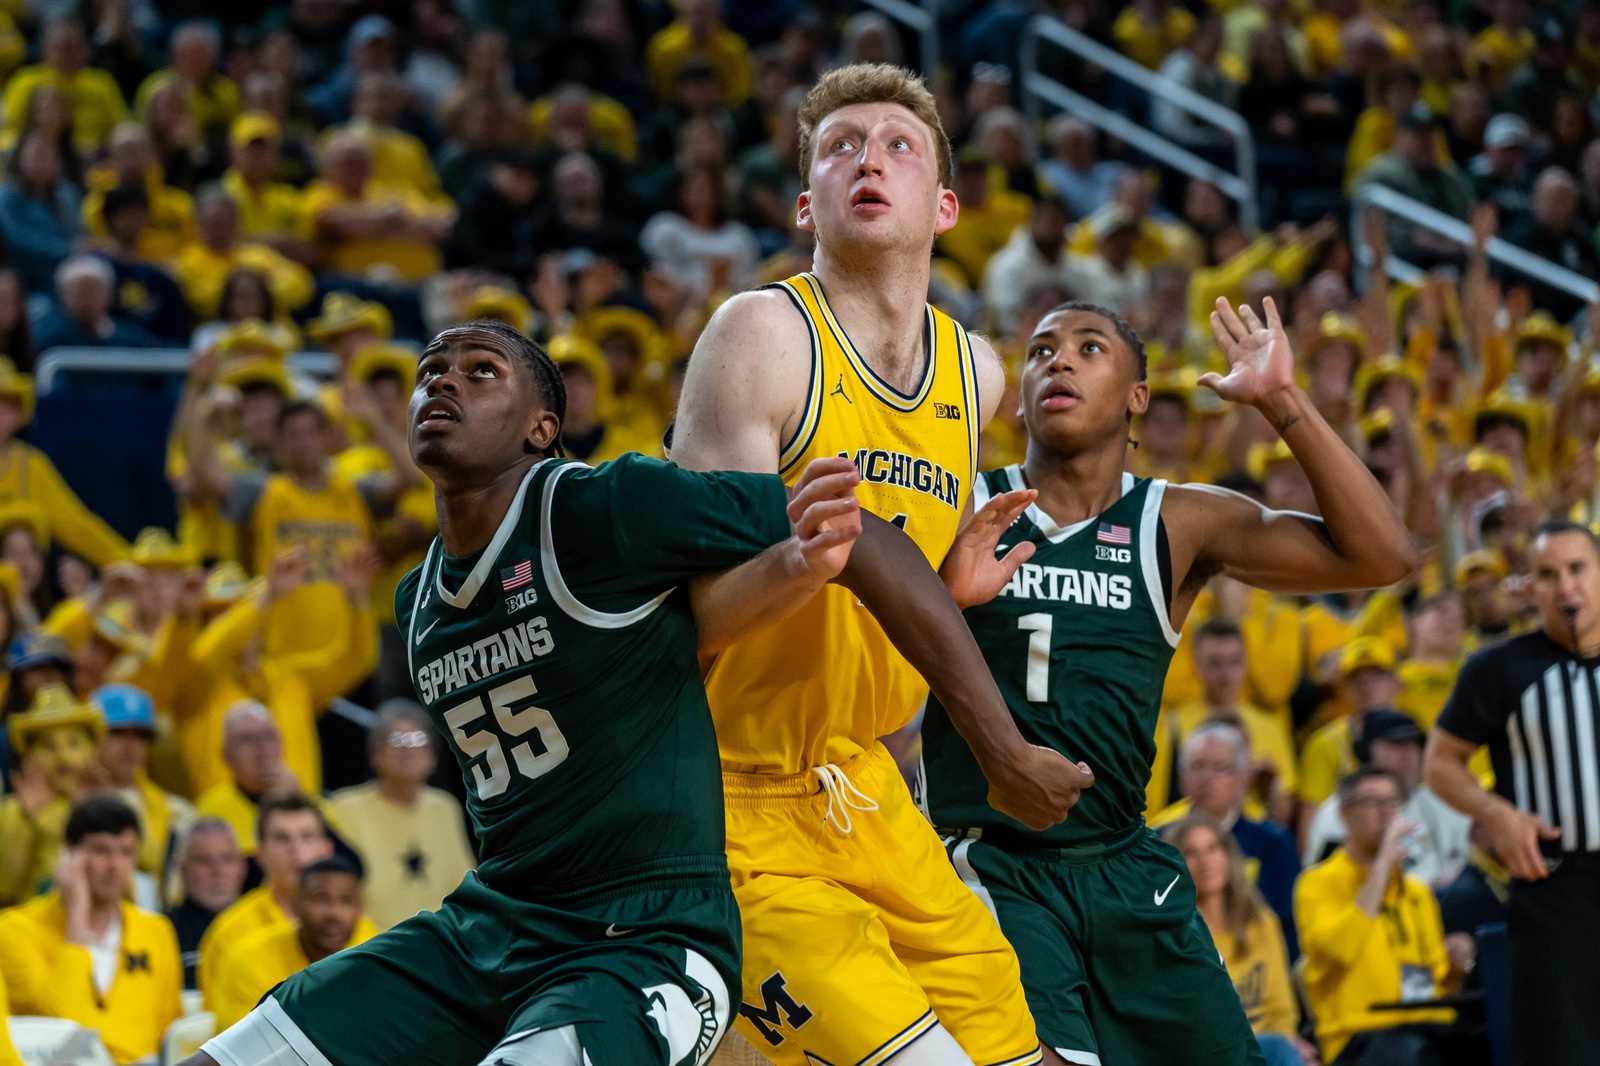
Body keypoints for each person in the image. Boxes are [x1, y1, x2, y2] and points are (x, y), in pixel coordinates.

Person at [186, 302, 1036, 1066]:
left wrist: (1001, 743)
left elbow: (856, 537)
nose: (444, 383)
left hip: (646, 935)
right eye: (430, 373)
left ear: (540, 427)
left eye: (481, 372)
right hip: (492, 925)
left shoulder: (605, 506)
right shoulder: (416, 601)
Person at [672, 63, 1089, 1065]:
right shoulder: (761, 335)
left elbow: (882, 596)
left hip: (866, 788)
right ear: (802, 200)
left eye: (899, 145)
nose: (868, 159)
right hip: (733, 791)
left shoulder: (976, 371)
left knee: (1024, 1053)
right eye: (839, 146)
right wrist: (801, 563)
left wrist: (944, 592)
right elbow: (680, 624)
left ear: (944, 205)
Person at [917, 292, 1414, 1065]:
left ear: (1137, 398)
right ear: (1017, 397)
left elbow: (1383, 557)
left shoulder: (1178, 521)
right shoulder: (961, 504)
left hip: (1124, 861)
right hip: (992, 862)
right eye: (1043, 350)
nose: (1059, 361)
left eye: (1089, 349)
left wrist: (1284, 402)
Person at [1424, 518, 1600, 1065]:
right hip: (1555, 890)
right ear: (1530, 588)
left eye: (1578, 569)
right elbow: (1440, 763)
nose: (1566, 587)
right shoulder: (1499, 669)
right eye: (1547, 575)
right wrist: (1495, 813)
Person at [0, 795, 182, 1065]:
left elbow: (170, 1034)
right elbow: (58, 1029)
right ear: (68, 854)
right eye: (101, 851)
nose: (115, 866)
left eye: (126, 852)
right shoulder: (14, 930)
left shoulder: (156, 931)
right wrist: (77, 918)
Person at [1294, 768, 1456, 1065]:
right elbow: (1339, 950)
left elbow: (1439, 976)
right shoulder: (1316, 883)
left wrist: (1461, 961)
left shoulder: (1416, 893)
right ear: (1344, 815)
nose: (1386, 813)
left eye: (1391, 802)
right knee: (1408, 1053)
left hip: (1425, 1026)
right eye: (1372, 802)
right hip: (1359, 1035)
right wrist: (1382, 864)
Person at [1165, 814, 1314, 1066]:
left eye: (1213, 848)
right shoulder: (1173, 934)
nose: (1205, 862)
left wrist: (1286, 1042)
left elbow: (1281, 1008)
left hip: (1265, 1048)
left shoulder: (1261, 921)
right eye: (1191, 853)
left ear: (1228, 855)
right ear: (1176, 864)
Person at [1150, 722, 1302, 957]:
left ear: (1241, 779)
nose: (1207, 778)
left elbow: (1287, 925)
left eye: (1220, 768)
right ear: (1181, 777)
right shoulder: (1156, 842)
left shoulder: (1274, 844)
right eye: (1197, 766)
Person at [328, 701, 476, 931]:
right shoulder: (343, 808)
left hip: (443, 942)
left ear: (434, 756)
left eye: (418, 740)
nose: (408, 750)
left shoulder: (445, 807)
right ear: (374, 754)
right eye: (396, 740)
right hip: (371, 945)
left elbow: (465, 887)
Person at [196, 791, 354, 1002]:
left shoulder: (361, 929)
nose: (296, 849)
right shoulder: (229, 934)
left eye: (307, 837)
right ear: (259, 853)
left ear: (327, 849)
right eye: (282, 838)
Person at [1153, 617, 1298, 824]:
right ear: (1196, 663)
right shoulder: (1171, 725)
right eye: (1215, 663)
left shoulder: (1270, 727)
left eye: (1235, 661)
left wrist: (1267, 789)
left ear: (1247, 661)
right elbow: (1158, 805)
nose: (1226, 674)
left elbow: (1283, 816)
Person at [1304, 710, 1470, 884]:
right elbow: (1324, 882)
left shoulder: (1443, 806)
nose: (1407, 753)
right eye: (1395, 744)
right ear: (1366, 752)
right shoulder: (1340, 813)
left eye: (1415, 744)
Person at [210, 856, 372, 1030]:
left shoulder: (374, 960)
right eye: (320, 899)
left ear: (360, 909)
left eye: (346, 901)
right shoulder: (248, 961)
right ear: (296, 905)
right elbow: (240, 1050)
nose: (334, 913)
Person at [0, 685, 106, 905]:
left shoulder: (104, 807)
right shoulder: (14, 810)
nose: (64, 758)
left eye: (74, 743)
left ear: (91, 751)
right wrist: (34, 818)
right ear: (28, 758)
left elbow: (150, 861)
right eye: (48, 746)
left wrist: (98, 810)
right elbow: (5, 887)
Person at [93, 683, 194, 881]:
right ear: (92, 736)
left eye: (140, 735)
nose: (130, 745)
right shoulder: (72, 800)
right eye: (118, 732)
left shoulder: (177, 811)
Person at [166, 818, 247, 990]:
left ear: (243, 866)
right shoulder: (164, 931)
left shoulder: (267, 923)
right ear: (182, 869)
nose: (217, 871)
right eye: (204, 861)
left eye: (227, 859)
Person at [33, 254, 159, 351]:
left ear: (109, 294)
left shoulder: (133, 340)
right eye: (79, 292)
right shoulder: (48, 339)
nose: (87, 300)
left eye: (93, 291)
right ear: (62, 295)